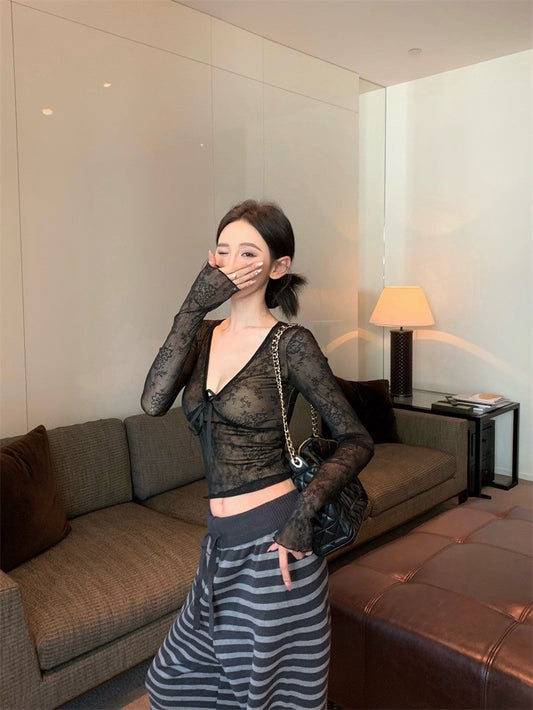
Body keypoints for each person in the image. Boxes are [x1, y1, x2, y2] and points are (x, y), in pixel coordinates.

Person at [141, 200, 374, 710]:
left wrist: (302, 518)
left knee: (268, 697)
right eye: (223, 251)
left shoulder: (290, 344)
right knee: (172, 685)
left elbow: (357, 439)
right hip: (219, 545)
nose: (233, 263)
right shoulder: (203, 336)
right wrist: (192, 305)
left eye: (249, 253)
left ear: (278, 267)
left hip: (275, 545)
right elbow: (153, 401)